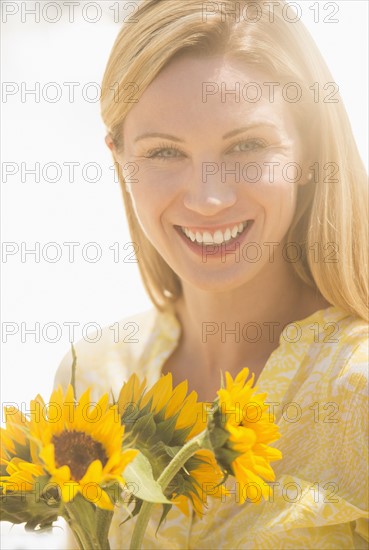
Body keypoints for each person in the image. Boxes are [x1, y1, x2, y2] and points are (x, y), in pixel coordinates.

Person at [54, 1, 369, 548]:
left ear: (311, 150)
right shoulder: (91, 383)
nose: (209, 198)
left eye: (246, 146)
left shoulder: (357, 392)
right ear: (119, 159)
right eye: (164, 152)